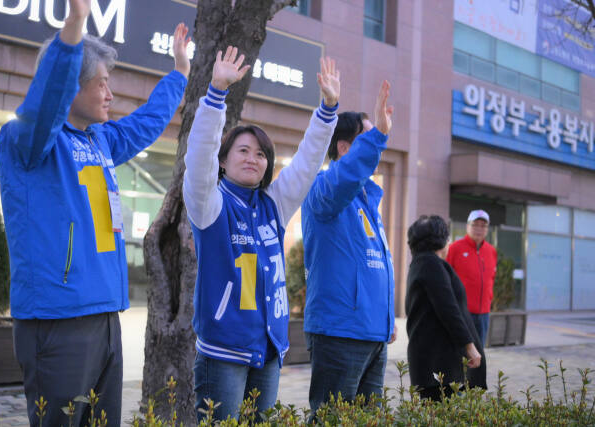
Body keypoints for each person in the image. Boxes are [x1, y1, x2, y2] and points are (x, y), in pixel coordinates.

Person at [0, 0, 190, 424]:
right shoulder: (27, 142)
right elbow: (45, 102)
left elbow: (145, 124)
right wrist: (75, 24)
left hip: (105, 316)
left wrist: (179, 74)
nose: (110, 93)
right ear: (71, 85)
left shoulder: (99, 140)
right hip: (58, 318)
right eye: (101, 83)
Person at [183, 47, 340, 421]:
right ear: (223, 160)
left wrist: (328, 110)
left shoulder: (274, 204)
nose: (252, 158)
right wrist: (216, 95)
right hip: (223, 352)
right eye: (242, 150)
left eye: (261, 154)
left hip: (269, 349)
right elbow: (199, 156)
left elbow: (305, 163)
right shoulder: (210, 204)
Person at [301, 81, 396, 416]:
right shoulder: (326, 191)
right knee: (333, 420)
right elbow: (344, 178)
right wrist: (378, 137)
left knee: (367, 421)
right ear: (344, 148)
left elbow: (375, 264)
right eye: (367, 137)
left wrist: (386, 319)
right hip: (340, 333)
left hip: (373, 335)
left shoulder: (369, 200)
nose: (377, 143)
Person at [405, 215, 487, 401]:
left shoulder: (421, 263)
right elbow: (448, 308)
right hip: (437, 362)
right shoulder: (431, 264)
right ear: (442, 239)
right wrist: (470, 346)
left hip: (431, 358)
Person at [446, 209, 498, 346]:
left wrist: (489, 299)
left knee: (479, 355)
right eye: (475, 224)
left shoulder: (491, 251)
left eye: (483, 225)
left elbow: (491, 279)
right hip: (462, 313)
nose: (479, 229)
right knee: (459, 353)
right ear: (467, 226)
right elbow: (445, 280)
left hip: (484, 314)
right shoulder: (454, 248)